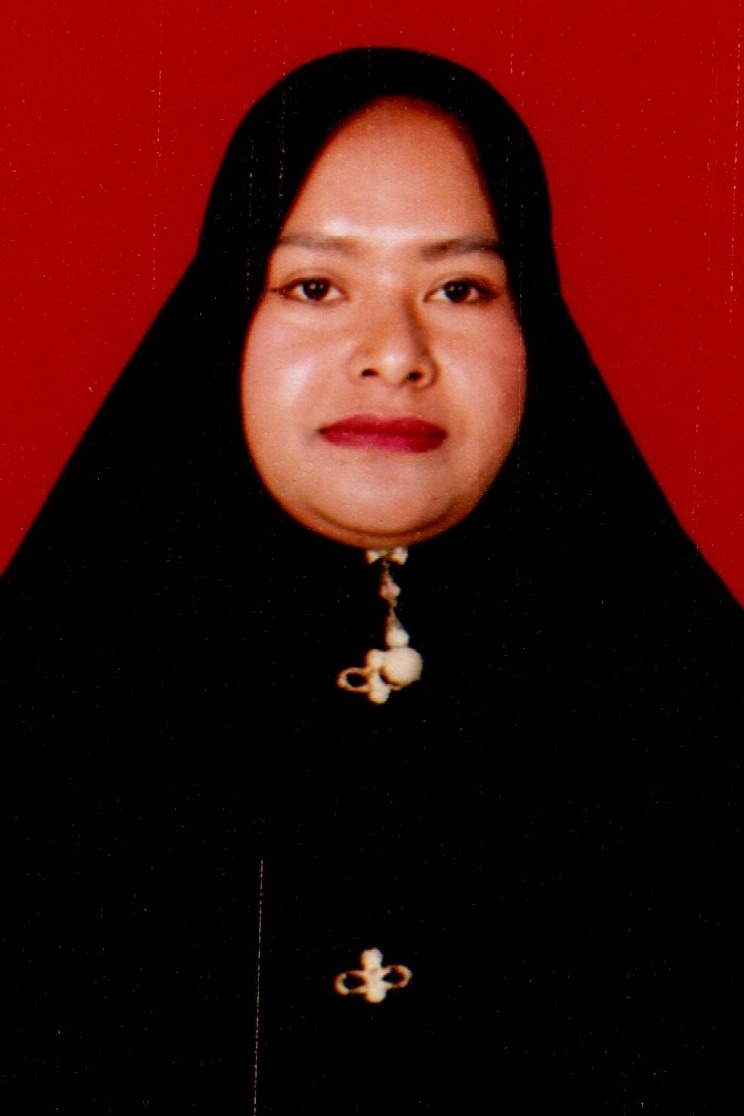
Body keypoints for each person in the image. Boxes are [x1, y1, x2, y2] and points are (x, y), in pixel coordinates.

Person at [1, 47, 741, 1115]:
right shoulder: (41, 701)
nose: (394, 353)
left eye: (460, 288)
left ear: (534, 326)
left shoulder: (697, 710)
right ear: (227, 321)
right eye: (315, 286)